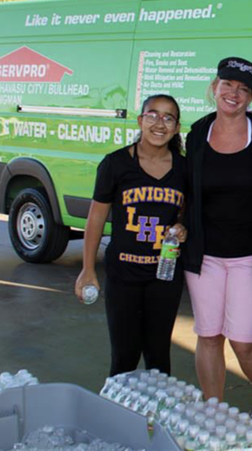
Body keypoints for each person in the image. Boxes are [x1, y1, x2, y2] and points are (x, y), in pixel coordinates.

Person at [183, 57, 252, 424]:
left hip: (249, 257)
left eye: (243, 90)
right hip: (203, 255)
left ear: (251, 98)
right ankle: (213, 411)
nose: (233, 94)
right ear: (214, 86)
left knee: (244, 341)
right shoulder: (197, 133)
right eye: (228, 85)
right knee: (208, 336)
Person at [75, 94, 187, 377]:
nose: (159, 123)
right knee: (124, 356)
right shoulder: (115, 164)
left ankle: (154, 419)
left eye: (168, 117)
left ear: (176, 127)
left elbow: (186, 212)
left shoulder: (185, 169)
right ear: (140, 120)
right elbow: (96, 218)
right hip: (123, 273)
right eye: (152, 115)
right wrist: (88, 269)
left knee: (159, 355)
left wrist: (183, 227)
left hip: (164, 274)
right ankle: (119, 418)